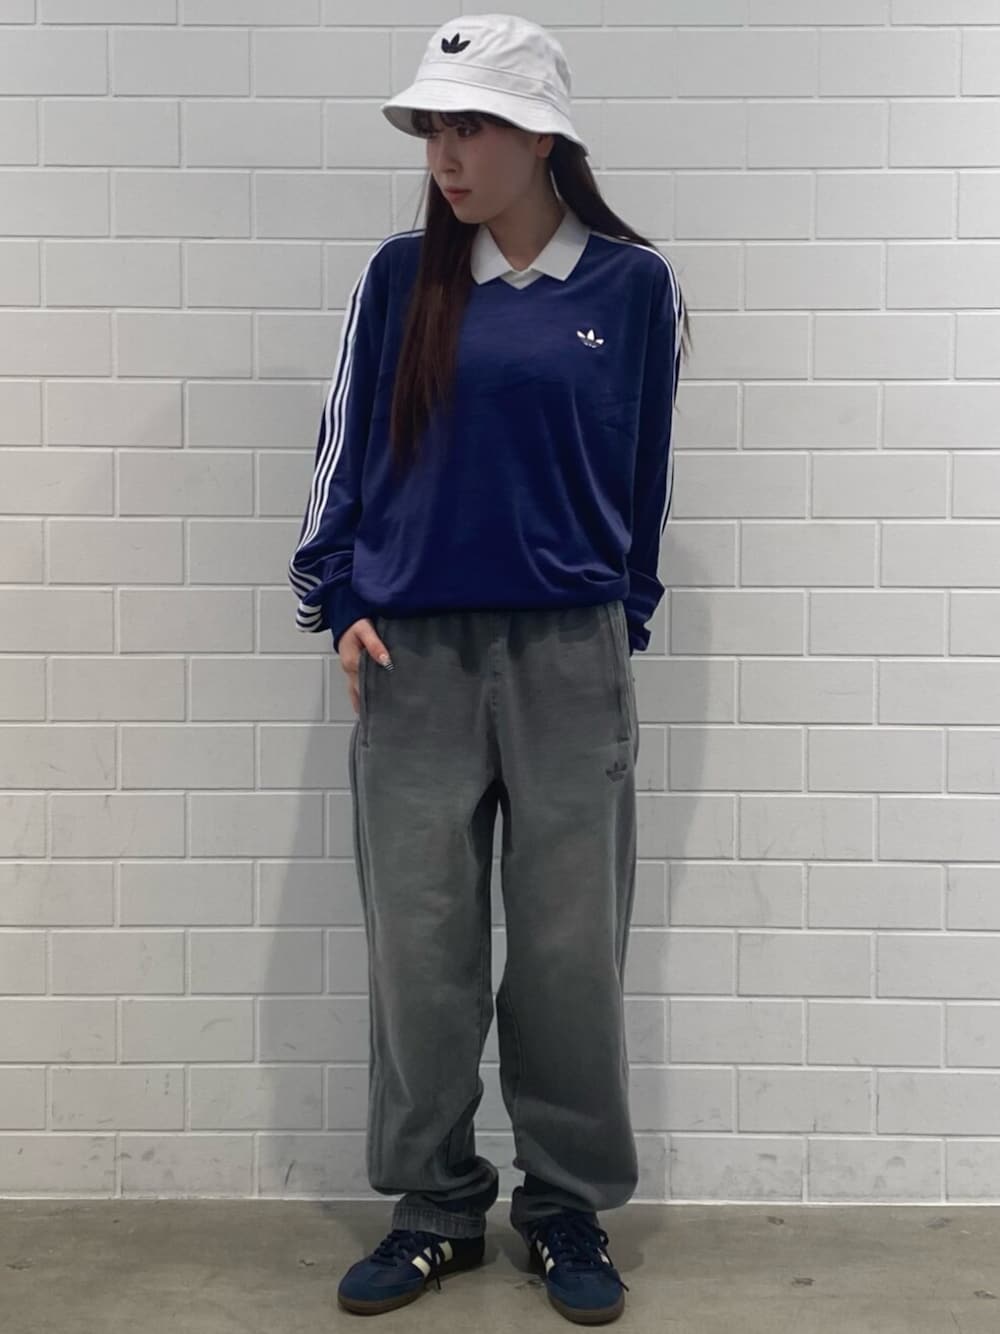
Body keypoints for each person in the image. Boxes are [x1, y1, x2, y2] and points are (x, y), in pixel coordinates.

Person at [287, 12, 690, 1324]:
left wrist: (617, 619)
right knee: (421, 946)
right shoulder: (402, 279)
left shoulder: (630, 287)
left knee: (571, 951)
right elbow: (345, 446)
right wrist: (339, 596)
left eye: (471, 127)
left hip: (569, 656)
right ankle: (435, 1205)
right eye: (433, 130)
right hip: (414, 654)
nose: (446, 155)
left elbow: (645, 474)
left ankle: (565, 1203)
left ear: (542, 136)